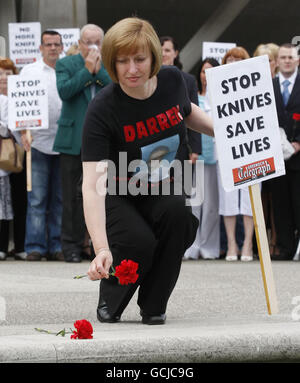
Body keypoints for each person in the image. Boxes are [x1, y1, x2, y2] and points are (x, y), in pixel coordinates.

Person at [82, 17, 213, 325]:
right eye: (122, 61)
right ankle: (111, 298)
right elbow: (91, 185)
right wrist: (101, 247)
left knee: (180, 218)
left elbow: (187, 112)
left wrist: (227, 131)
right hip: (118, 190)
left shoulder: (173, 80)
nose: (132, 69)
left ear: (154, 56)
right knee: (138, 242)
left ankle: (154, 304)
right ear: (111, 63)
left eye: (139, 59)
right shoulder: (102, 109)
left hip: (164, 183)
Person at [53, 24, 111, 263]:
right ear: (79, 43)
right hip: (72, 140)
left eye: (97, 41)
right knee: (71, 197)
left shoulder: (109, 63)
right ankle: (72, 246)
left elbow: (115, 89)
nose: (93, 47)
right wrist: (88, 70)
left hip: (103, 140)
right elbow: (65, 91)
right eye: (88, 42)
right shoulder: (66, 64)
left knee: (101, 194)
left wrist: (99, 71)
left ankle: (98, 246)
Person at [19, 31, 64, 261]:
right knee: (37, 198)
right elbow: (20, 106)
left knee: (59, 199)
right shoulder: (29, 71)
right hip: (37, 143)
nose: (53, 48)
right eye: (49, 44)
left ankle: (57, 246)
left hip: (64, 142)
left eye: (57, 44)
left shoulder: (68, 69)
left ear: (62, 46)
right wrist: (22, 135)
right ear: (40, 47)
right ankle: (35, 246)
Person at [218, 46, 255, 262]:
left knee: (250, 196)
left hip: (250, 145)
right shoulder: (217, 87)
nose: (232, 62)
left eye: (237, 59)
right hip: (226, 146)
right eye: (229, 59)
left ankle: (248, 242)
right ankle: (232, 242)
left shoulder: (253, 85)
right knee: (229, 196)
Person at [184, 57, 220, 260]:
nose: (206, 76)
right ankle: (191, 246)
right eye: (204, 71)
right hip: (196, 156)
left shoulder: (221, 98)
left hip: (215, 158)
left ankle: (209, 248)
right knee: (194, 204)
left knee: (212, 206)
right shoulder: (193, 95)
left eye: (211, 71)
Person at [270, 43, 300, 260]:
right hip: (276, 156)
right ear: (277, 61)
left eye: (290, 57)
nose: (287, 60)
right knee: (279, 204)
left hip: (299, 155)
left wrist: (298, 143)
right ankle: (285, 247)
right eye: (283, 57)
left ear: (297, 59)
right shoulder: (268, 85)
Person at [253, 43, 279, 256]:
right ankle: (259, 243)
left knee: (276, 199)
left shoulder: (279, 85)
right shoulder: (250, 87)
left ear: (275, 63)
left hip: (280, 151)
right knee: (260, 198)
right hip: (256, 151)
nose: (265, 64)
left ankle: (276, 241)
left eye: (268, 60)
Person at [0, 58, 27, 261]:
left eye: (7, 74)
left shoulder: (22, 97)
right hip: (2, 156)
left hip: (20, 154)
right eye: (0, 74)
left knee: (20, 201)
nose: (3, 78)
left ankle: (19, 246)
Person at [160, 36, 201, 164]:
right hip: (156, 145)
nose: (163, 54)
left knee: (183, 182)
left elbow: (194, 114)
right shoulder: (148, 79)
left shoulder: (188, 80)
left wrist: (195, 149)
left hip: (182, 146)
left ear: (176, 53)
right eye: (160, 50)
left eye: (167, 50)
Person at [0, 92, 13, 260]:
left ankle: (2, 246)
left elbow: (6, 129)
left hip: (1, 163)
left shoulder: (4, 101)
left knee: (2, 209)